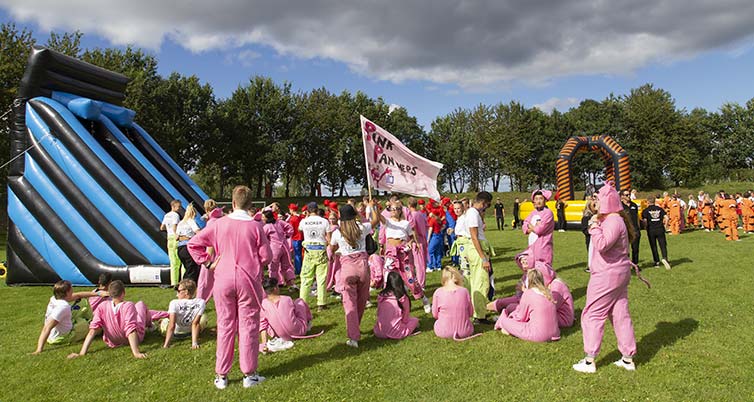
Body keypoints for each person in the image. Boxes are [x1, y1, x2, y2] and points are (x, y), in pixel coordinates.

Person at [187, 185, 272, 390]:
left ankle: (221, 375)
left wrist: (207, 262)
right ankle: (249, 374)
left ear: (232, 203)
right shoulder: (255, 226)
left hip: (223, 278)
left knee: (225, 325)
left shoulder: (219, 224)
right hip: (247, 280)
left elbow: (193, 244)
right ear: (250, 204)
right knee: (248, 325)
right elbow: (267, 257)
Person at [573, 182, 638, 373]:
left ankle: (589, 359)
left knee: (592, 313)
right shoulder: (614, 219)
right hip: (618, 273)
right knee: (620, 314)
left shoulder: (613, 221)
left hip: (607, 275)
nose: (596, 202)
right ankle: (627, 358)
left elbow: (602, 244)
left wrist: (593, 226)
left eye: (598, 199)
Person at [68, 280, 168, 360]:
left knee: (140, 310)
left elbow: (92, 330)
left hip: (112, 341)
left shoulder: (102, 306)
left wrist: (82, 353)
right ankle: (153, 324)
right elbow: (131, 329)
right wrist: (136, 352)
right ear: (123, 293)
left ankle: (161, 317)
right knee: (141, 305)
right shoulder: (128, 305)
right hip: (133, 338)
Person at [371, 199, 431, 314]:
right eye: (392, 209)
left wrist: (410, 242)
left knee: (410, 279)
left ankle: (423, 299)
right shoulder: (388, 222)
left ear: (400, 210)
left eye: (397, 209)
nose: (394, 211)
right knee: (388, 278)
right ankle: (390, 304)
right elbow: (378, 217)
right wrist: (374, 207)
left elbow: (412, 236)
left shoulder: (405, 223)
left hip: (403, 253)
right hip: (391, 254)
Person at [330, 204, 372, 348]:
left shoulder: (338, 232)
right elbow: (375, 221)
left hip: (347, 268)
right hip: (363, 266)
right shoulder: (362, 228)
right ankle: (356, 328)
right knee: (361, 301)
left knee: (349, 303)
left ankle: (353, 336)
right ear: (354, 215)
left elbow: (332, 246)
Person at [32, 281, 101, 354]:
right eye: (71, 288)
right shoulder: (63, 307)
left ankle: (89, 320)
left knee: (82, 301)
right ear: (67, 292)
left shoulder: (54, 299)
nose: (73, 290)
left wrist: (98, 294)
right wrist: (39, 350)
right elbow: (47, 327)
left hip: (53, 334)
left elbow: (78, 295)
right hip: (64, 336)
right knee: (97, 328)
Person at [495, 269, 560, 343]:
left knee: (505, 321)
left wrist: (510, 317)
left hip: (539, 335)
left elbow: (520, 317)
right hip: (555, 333)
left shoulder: (529, 293)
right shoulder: (548, 293)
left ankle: (503, 323)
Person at [259, 278, 318, 353]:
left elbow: (263, 324)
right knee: (299, 302)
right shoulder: (287, 299)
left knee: (265, 319)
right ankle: (308, 323)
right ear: (275, 288)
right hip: (299, 331)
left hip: (279, 335)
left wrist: (264, 343)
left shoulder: (263, 305)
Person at [463, 191, 494, 323]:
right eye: (487, 205)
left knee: (477, 281)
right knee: (480, 282)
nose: (486, 208)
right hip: (477, 251)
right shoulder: (473, 214)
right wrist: (483, 258)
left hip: (476, 249)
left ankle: (478, 311)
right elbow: (474, 237)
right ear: (483, 203)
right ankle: (479, 315)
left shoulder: (473, 213)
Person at [298, 202, 331, 311]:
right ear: (317, 210)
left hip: (308, 250)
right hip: (321, 248)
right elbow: (329, 238)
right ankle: (321, 303)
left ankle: (302, 302)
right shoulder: (324, 221)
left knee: (306, 277)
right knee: (321, 277)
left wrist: (306, 217)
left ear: (307, 210)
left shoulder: (304, 221)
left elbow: (299, 229)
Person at [161, 279, 207, 349]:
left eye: (178, 291)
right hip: (190, 333)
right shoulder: (201, 302)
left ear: (186, 292)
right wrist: (194, 343)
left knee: (165, 321)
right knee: (203, 317)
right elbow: (195, 323)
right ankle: (194, 339)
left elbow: (171, 325)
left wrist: (166, 345)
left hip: (175, 334)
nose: (177, 294)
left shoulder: (174, 303)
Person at [432, 266, 474, 339]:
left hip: (443, 332)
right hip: (465, 331)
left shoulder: (438, 292)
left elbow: (435, 315)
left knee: (436, 323)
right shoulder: (464, 291)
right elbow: (471, 313)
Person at [373, 272, 419, 339]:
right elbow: (405, 320)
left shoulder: (381, 296)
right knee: (415, 321)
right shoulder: (402, 298)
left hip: (380, 332)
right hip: (396, 332)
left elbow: (379, 313)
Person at [197, 199, 224, 302]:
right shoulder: (220, 219)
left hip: (212, 253)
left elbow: (210, 241)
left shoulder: (212, 222)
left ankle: (200, 301)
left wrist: (208, 257)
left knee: (205, 279)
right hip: (221, 252)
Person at [262, 210, 297, 288]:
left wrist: (267, 243)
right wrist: (287, 235)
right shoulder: (279, 222)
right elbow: (290, 227)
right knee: (287, 265)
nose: (262, 218)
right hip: (284, 246)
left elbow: (263, 238)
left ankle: (274, 283)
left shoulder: (267, 227)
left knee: (273, 266)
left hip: (275, 248)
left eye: (263, 217)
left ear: (267, 218)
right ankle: (290, 282)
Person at [523, 190, 554, 265]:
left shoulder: (548, 213)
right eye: (536, 199)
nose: (538, 201)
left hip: (543, 245)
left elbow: (540, 229)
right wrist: (532, 226)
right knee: (532, 266)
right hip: (532, 244)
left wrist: (531, 226)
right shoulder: (533, 212)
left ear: (545, 200)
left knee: (543, 267)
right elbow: (525, 224)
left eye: (540, 199)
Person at [641, 197, 671, 270]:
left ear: (648, 202)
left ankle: (656, 261)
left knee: (653, 246)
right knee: (663, 245)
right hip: (660, 229)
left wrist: (645, 227)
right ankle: (665, 258)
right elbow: (666, 218)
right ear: (654, 202)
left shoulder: (646, 210)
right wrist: (665, 226)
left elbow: (645, 221)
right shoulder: (660, 209)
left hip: (651, 230)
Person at [177, 203, 202, 283]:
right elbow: (198, 232)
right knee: (192, 269)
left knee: (188, 268)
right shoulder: (191, 221)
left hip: (180, 248)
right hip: (188, 247)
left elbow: (176, 237)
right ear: (193, 213)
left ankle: (184, 285)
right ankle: (187, 286)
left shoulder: (180, 223)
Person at [407, 198, 429, 289]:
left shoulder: (412, 215)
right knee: (422, 262)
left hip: (417, 241)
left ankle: (420, 283)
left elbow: (413, 230)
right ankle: (419, 282)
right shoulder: (421, 214)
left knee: (419, 264)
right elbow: (426, 226)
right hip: (423, 239)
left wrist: (415, 241)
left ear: (409, 205)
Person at [161, 199, 182, 286]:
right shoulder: (175, 215)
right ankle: (181, 280)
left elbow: (162, 227)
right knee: (179, 260)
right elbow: (174, 227)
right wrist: (178, 234)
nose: (180, 208)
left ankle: (173, 282)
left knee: (173, 261)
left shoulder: (166, 215)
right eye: (179, 206)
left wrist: (168, 229)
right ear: (173, 206)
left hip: (169, 237)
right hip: (175, 238)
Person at [621, 189, 641, 265]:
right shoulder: (620, 206)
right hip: (625, 230)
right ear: (622, 196)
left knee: (635, 248)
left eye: (629, 194)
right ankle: (625, 264)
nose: (628, 196)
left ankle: (635, 264)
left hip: (635, 229)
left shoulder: (634, 205)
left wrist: (639, 228)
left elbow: (637, 217)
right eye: (626, 195)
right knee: (624, 249)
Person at [287, 203, 305, 275]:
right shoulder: (302, 217)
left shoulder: (292, 219)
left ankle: (298, 270)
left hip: (295, 238)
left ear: (291, 210)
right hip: (303, 237)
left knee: (297, 255)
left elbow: (291, 229)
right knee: (302, 254)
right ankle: (302, 268)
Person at [581, 196, 598, 273]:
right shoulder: (586, 217)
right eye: (593, 205)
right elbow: (584, 229)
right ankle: (590, 266)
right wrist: (592, 230)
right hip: (590, 239)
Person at [427, 207, 445, 271]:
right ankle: (438, 266)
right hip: (439, 236)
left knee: (430, 251)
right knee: (438, 252)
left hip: (434, 236)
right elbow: (443, 226)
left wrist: (428, 239)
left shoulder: (432, 220)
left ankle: (430, 266)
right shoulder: (439, 220)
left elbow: (430, 230)